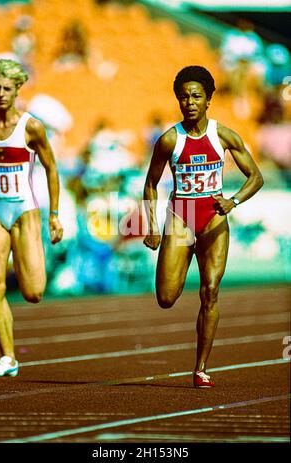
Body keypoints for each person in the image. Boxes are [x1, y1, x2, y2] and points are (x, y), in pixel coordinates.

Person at [143, 66, 263, 388]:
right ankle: (177, 261)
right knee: (166, 298)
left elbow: (256, 177)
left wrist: (233, 201)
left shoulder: (223, 135)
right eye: (184, 96)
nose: (190, 102)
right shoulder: (169, 139)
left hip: (213, 217)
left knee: (210, 291)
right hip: (181, 214)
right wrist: (152, 226)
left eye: (196, 96)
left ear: (209, 99)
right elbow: (150, 185)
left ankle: (200, 368)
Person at [0, 59, 63, 377]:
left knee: (32, 292)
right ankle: (7, 357)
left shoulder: (30, 126)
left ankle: (30, 263)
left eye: (7, 88)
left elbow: (51, 167)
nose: (1, 93)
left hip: (24, 212)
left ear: (18, 89)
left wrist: (55, 216)